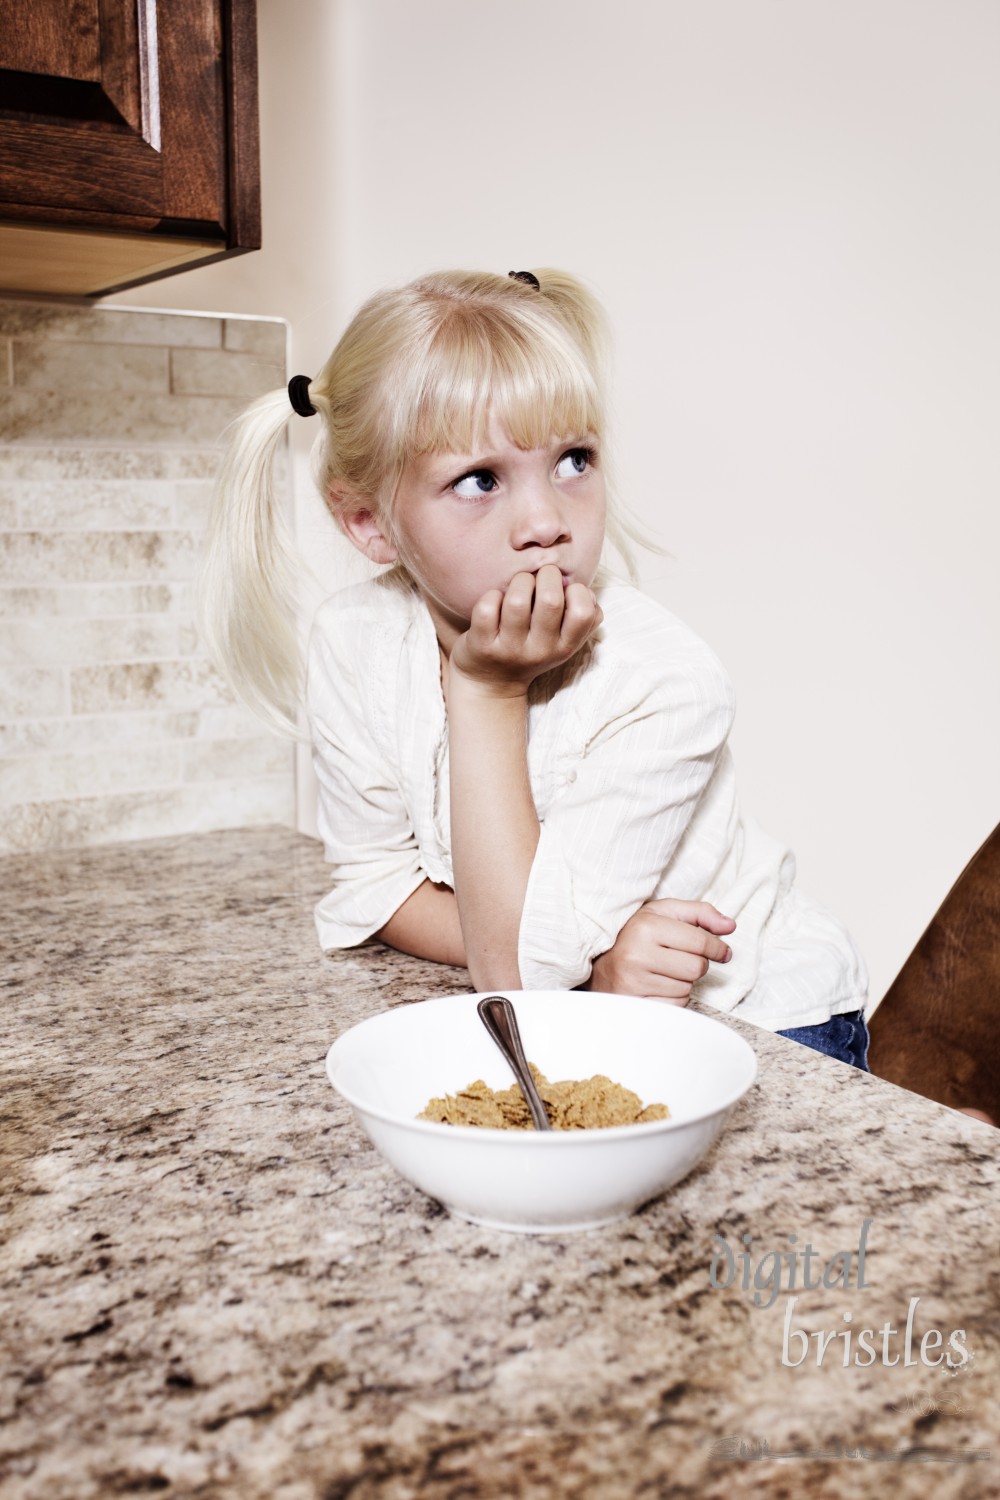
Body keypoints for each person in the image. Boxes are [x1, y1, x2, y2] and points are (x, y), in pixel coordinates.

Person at [201, 268, 870, 1067]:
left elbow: (516, 972)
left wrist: (486, 690)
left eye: (574, 460)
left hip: (763, 1019)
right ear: (369, 523)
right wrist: (585, 965)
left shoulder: (665, 682)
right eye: (479, 480)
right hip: (596, 1006)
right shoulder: (354, 641)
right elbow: (382, 892)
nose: (548, 521)